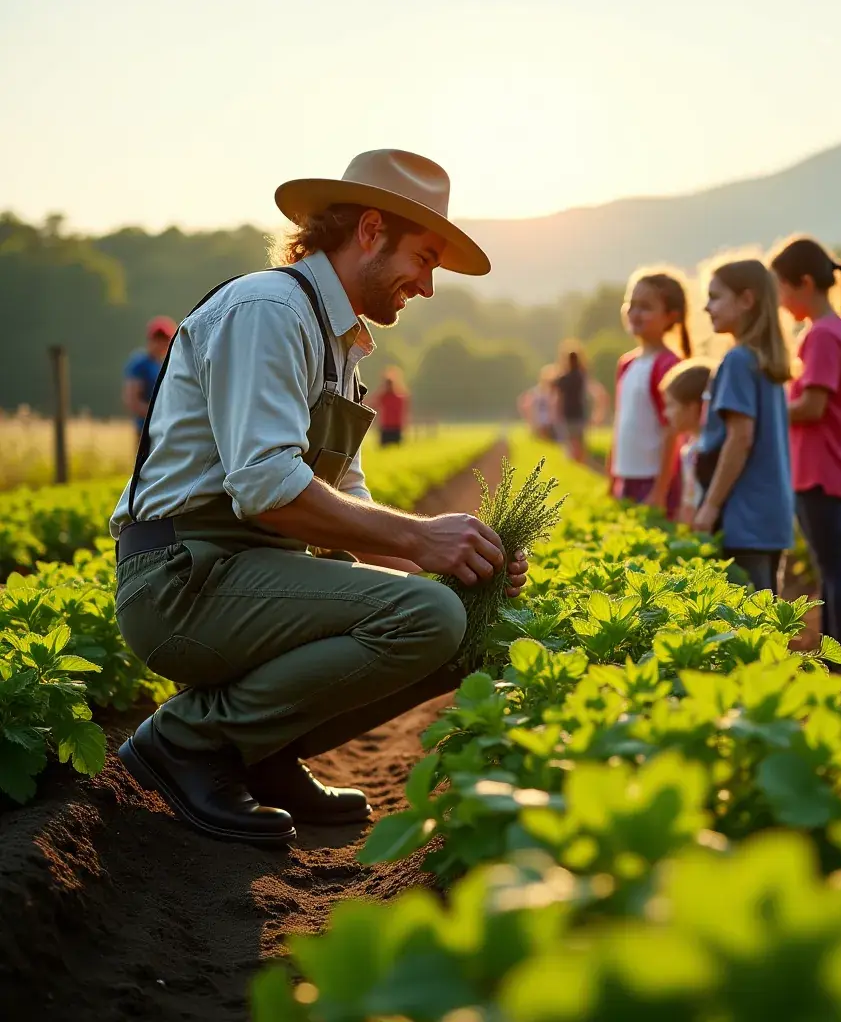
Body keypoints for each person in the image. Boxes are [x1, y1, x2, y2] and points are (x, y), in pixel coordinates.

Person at [108, 149, 530, 848]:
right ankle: (188, 742)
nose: (428, 287)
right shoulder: (268, 311)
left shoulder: (340, 343)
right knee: (429, 617)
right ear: (371, 230)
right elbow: (267, 487)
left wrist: (457, 564)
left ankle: (264, 751)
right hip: (183, 578)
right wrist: (422, 540)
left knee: (462, 623)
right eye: (424, 259)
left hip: (247, 574)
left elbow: (347, 501)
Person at [772, 236, 841, 678]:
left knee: (836, 571)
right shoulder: (833, 330)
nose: (780, 301)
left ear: (803, 283)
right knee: (832, 569)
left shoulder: (821, 335)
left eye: (781, 290)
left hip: (822, 470)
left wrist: (768, 409)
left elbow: (812, 407)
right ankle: (840, 656)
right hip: (830, 467)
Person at [693, 260, 793, 595]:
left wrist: (710, 506)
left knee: (748, 618)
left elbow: (740, 438)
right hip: (771, 515)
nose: (706, 307)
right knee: (768, 613)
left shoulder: (738, 361)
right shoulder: (766, 362)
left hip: (743, 516)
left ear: (746, 300)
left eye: (715, 297)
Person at [607, 268, 693, 515]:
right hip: (627, 477)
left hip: (654, 479)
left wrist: (659, 491)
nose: (634, 313)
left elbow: (672, 431)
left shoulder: (667, 364)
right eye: (631, 304)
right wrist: (612, 480)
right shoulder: (627, 364)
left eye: (645, 307)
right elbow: (620, 423)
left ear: (670, 316)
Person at [658, 359, 714, 526]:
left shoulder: (705, 451)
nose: (666, 413)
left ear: (693, 408)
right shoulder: (690, 448)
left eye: (670, 406)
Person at [552, 342, 608, 462]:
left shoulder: (563, 378)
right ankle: (581, 459)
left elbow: (558, 398)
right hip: (580, 412)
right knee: (580, 440)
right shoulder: (582, 376)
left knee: (570, 441)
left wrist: (556, 413)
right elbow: (595, 392)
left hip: (568, 413)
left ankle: (573, 460)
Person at [123, 316, 176, 437]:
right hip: (145, 430)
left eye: (165, 340)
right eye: (157, 339)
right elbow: (132, 401)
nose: (161, 344)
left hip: (166, 429)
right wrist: (160, 414)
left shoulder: (168, 364)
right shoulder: (139, 364)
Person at [368, 366, 410, 446]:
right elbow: (371, 404)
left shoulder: (399, 397)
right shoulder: (383, 396)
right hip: (386, 428)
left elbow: (404, 413)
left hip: (396, 428)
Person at [517, 365, 558, 441]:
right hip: (540, 420)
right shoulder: (535, 393)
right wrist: (530, 421)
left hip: (550, 421)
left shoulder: (555, 392)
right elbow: (526, 406)